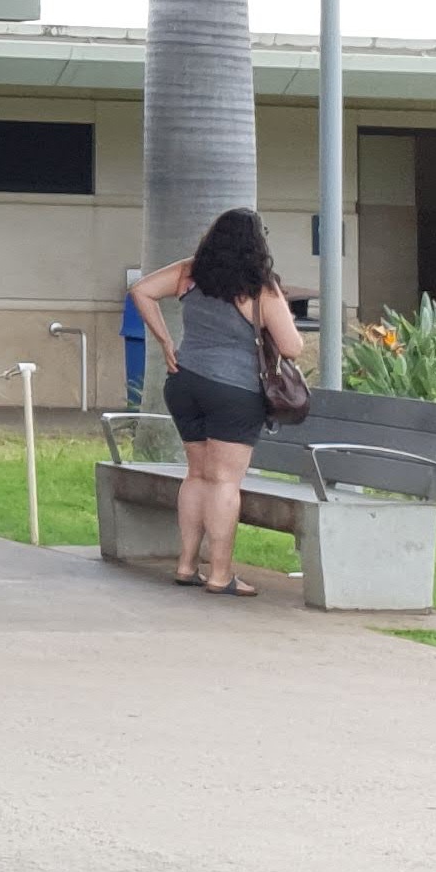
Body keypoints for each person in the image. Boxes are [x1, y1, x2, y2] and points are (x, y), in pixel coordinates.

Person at [126, 209, 309, 597]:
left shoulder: (190, 271)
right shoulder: (260, 287)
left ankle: (186, 565)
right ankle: (220, 574)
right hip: (234, 390)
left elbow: (141, 290)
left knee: (196, 475)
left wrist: (165, 342)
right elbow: (292, 346)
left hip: (184, 382)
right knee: (224, 480)